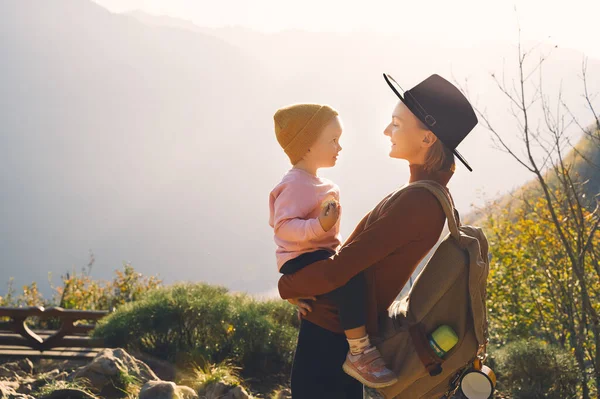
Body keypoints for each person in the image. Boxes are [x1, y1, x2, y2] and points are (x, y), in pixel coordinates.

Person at [277, 74, 479, 399]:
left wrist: (287, 286)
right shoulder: (422, 193)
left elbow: (340, 269)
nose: (387, 131)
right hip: (339, 333)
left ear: (427, 139)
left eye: (397, 124)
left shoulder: (418, 201)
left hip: (331, 339)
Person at [269, 103, 397, 389]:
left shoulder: (323, 184)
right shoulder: (293, 184)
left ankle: (355, 344)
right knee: (347, 277)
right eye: (333, 140)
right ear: (307, 145)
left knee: (350, 276)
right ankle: (359, 350)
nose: (339, 147)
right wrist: (319, 226)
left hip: (320, 256)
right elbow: (284, 227)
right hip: (300, 257)